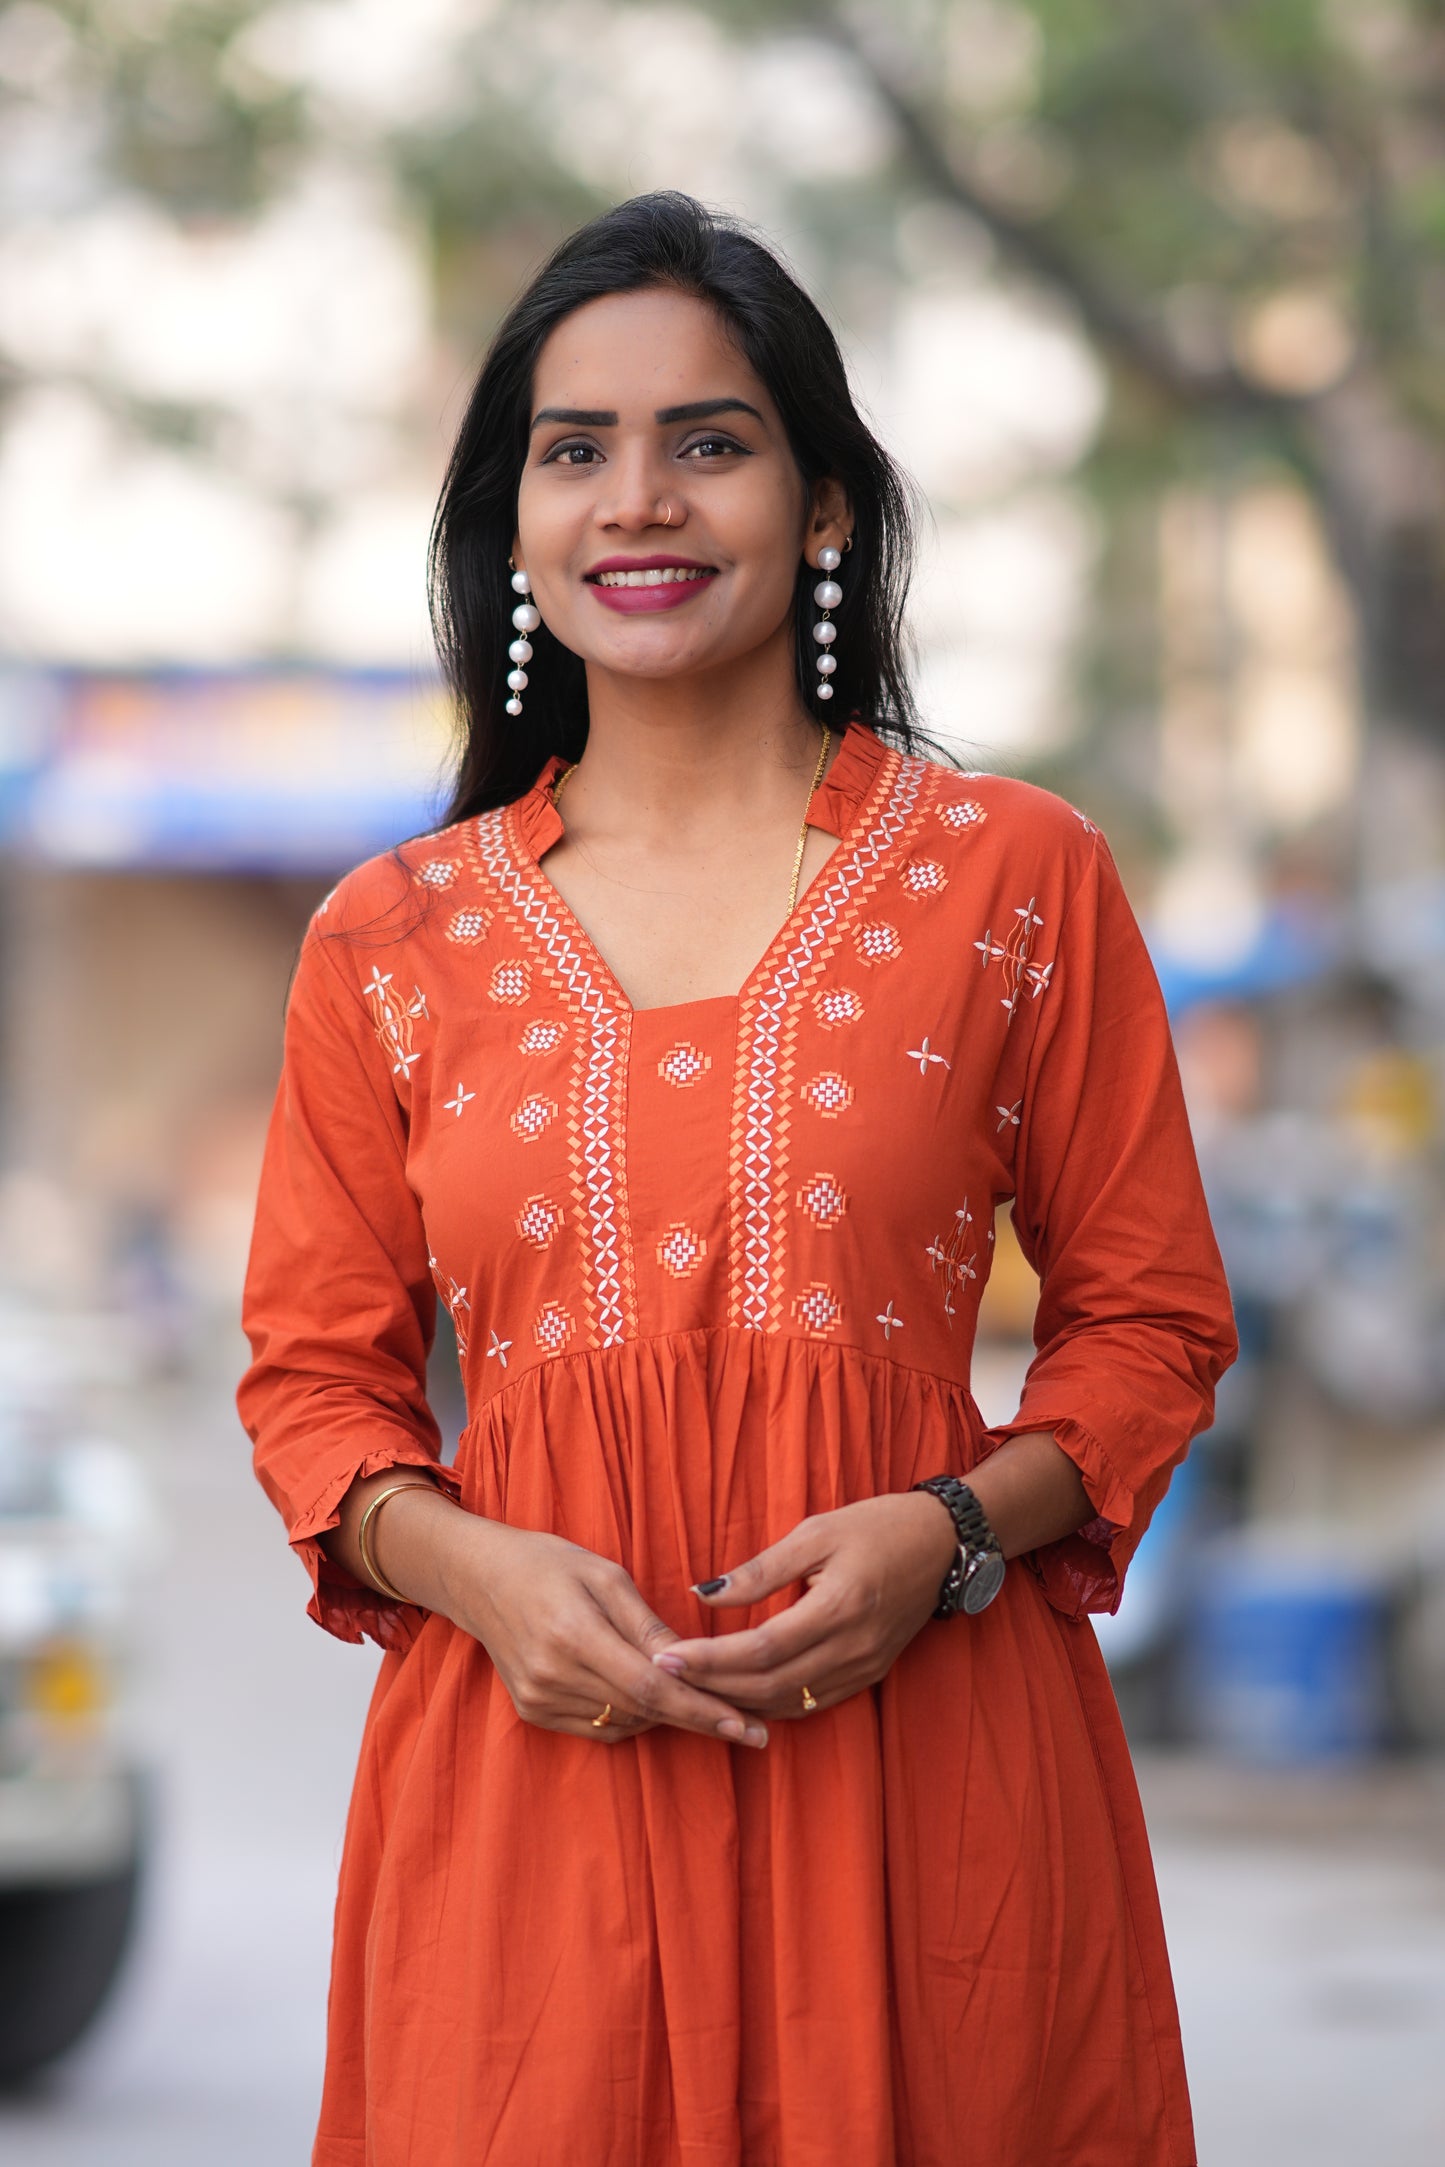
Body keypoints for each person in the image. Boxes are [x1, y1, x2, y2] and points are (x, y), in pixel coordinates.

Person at [238, 190, 1237, 2167]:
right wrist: (476, 1567)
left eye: (713, 441)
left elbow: (1151, 1325)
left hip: (933, 1771)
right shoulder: (392, 938)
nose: (642, 500)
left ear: (829, 504)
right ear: (512, 524)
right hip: (533, 1790)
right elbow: (313, 1387)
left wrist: (955, 1531)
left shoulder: (1016, 877)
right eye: (574, 449)